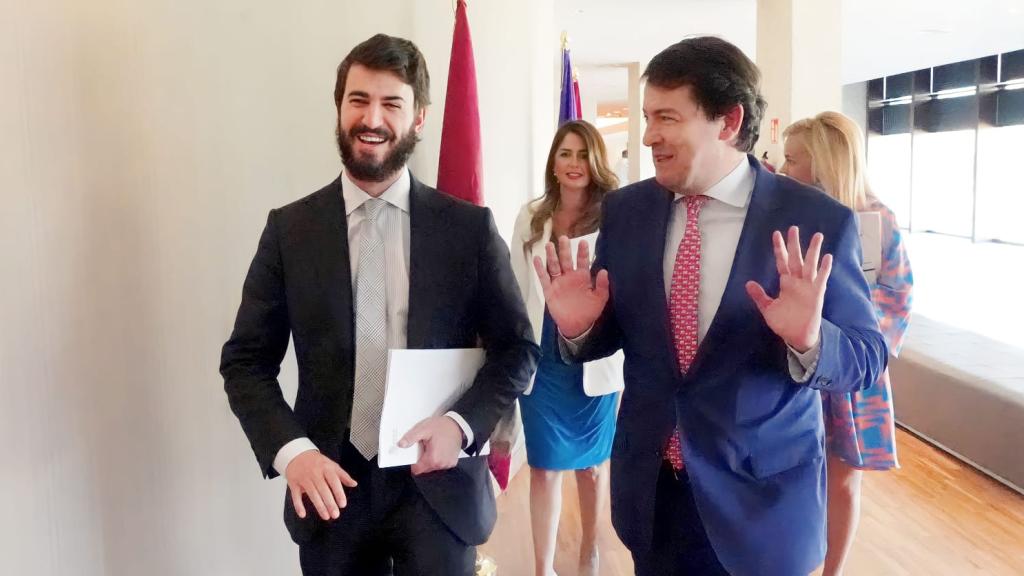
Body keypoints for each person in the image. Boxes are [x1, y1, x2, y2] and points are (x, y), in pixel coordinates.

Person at [533, 37, 888, 575]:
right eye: (648, 116)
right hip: (652, 497)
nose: (649, 135)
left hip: (761, 507)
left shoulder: (816, 219)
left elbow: (867, 356)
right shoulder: (626, 212)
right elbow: (622, 336)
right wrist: (582, 332)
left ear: (727, 121)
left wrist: (810, 341)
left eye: (667, 118)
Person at [220, 34, 539, 576]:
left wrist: (461, 425)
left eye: (392, 103)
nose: (372, 118)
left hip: (437, 485)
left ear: (419, 118)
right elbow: (245, 362)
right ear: (339, 109)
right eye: (358, 100)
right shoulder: (289, 231)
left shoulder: (468, 230)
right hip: (330, 489)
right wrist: (292, 452)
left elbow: (517, 350)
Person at [781, 111, 913, 576]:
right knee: (794, 476)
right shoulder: (787, 217)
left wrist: (847, 319)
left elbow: (899, 296)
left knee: (843, 479)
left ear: (822, 162)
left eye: (793, 158)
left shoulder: (879, 219)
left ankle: (832, 572)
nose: (783, 167)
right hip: (795, 365)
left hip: (854, 370)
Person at [509, 120, 623, 576]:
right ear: (553, 163)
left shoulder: (615, 217)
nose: (574, 164)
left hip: (593, 356)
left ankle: (590, 551)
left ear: (596, 162)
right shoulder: (531, 216)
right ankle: (543, 567)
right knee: (544, 465)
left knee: (593, 468)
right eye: (565, 154)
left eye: (582, 154)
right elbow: (515, 286)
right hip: (542, 357)